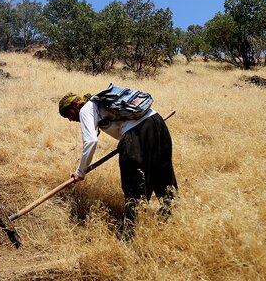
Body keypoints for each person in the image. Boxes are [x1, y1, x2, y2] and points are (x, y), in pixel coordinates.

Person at [58, 91, 177, 240]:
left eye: (67, 114)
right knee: (163, 171)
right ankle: (169, 219)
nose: (69, 119)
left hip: (137, 132)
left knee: (134, 182)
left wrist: (80, 172)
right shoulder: (98, 103)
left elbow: (91, 142)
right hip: (156, 122)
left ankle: (129, 234)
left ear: (75, 105)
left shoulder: (86, 109)